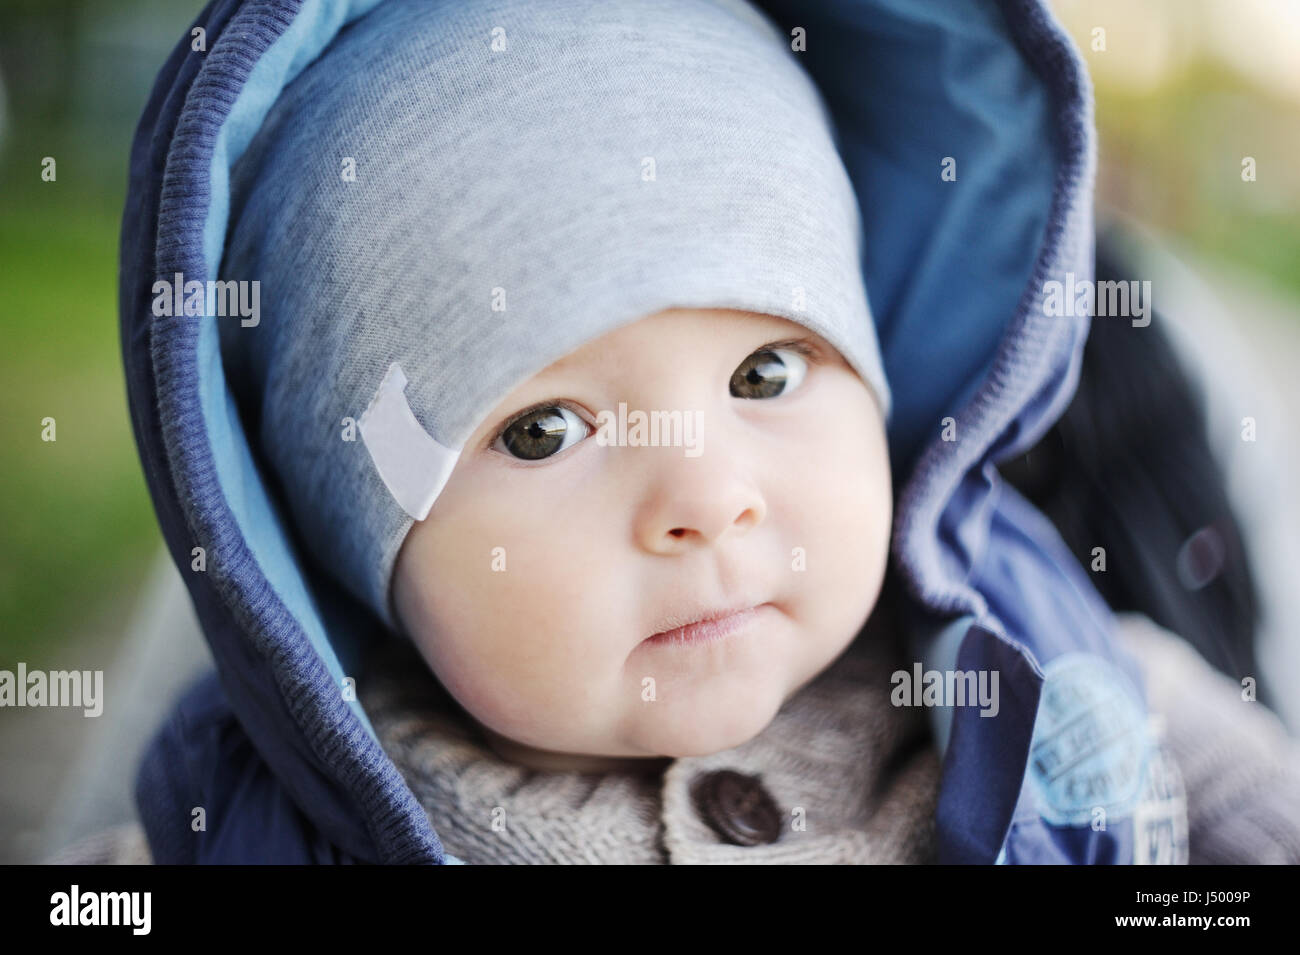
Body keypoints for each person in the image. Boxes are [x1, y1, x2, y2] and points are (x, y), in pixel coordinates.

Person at [51, 0, 1300, 864]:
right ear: (346, 537)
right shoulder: (242, 821)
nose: (705, 496)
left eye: (767, 369)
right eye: (542, 431)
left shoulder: (1056, 675)